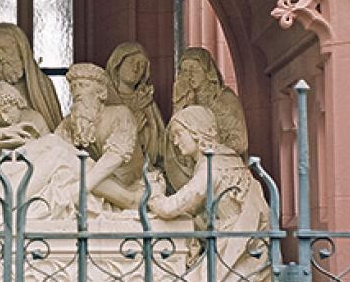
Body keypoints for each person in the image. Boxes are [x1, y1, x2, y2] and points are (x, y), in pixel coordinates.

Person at [149, 106, 297, 282]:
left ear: (196, 132)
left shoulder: (212, 165)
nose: (177, 142)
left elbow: (175, 206)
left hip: (236, 253)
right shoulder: (228, 161)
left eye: (179, 134)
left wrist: (153, 194)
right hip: (238, 249)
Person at [55, 63, 144, 209]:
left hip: (127, 183)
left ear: (101, 92)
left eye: (83, 85)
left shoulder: (120, 114)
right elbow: (55, 148)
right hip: (96, 183)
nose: (77, 93)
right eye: (74, 87)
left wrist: (81, 188)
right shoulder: (71, 122)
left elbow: (115, 156)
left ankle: (130, 200)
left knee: (72, 164)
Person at [167, 47, 248, 190]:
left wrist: (208, 150)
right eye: (184, 71)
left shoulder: (225, 99)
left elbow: (240, 143)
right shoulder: (185, 100)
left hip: (222, 171)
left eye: (194, 69)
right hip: (194, 169)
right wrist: (179, 103)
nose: (189, 76)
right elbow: (174, 140)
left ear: (207, 71)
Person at [0, 23, 62, 132]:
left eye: (5, 49)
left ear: (21, 49)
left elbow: (54, 128)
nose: (1, 57)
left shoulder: (42, 85)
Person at [106, 41, 166, 169]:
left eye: (142, 65)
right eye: (131, 62)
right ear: (117, 64)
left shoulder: (147, 103)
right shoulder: (105, 100)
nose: (136, 68)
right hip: (114, 169)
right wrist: (132, 130)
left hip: (147, 166)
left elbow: (162, 141)